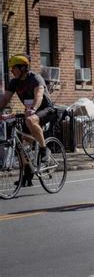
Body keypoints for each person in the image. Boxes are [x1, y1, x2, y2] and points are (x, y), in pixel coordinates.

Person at [0, 55, 56, 186]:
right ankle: (28, 172)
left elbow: (39, 95)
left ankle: (44, 149)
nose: (12, 71)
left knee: (30, 120)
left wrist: (34, 108)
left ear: (23, 68)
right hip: (29, 113)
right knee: (22, 145)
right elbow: (4, 99)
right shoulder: (14, 82)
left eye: (14, 68)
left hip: (45, 110)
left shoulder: (35, 78)